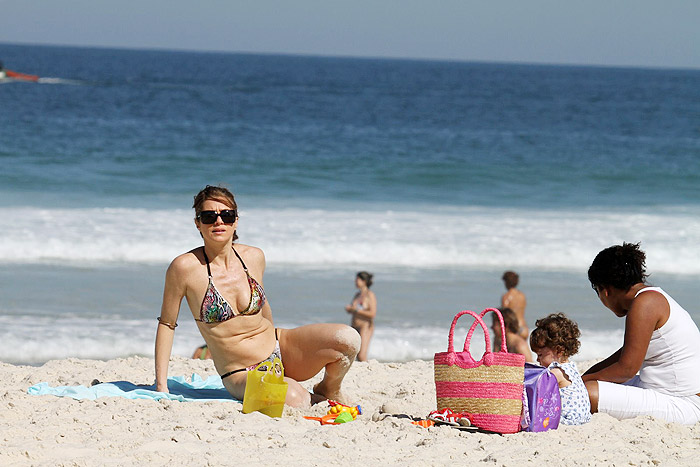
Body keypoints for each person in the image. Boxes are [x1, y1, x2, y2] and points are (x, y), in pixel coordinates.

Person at [155, 185, 360, 408]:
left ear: (235, 221)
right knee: (294, 400)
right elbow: (167, 324)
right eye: (208, 216)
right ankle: (306, 395)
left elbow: (265, 308)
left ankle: (330, 387)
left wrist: (279, 357)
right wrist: (161, 385)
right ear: (197, 223)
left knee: (348, 339)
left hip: (279, 348)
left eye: (226, 215)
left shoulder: (254, 257)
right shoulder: (184, 268)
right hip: (240, 372)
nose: (218, 222)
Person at [582, 242, 700, 425]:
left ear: (606, 291)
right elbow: (623, 355)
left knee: (588, 393)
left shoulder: (645, 303)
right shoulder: (651, 297)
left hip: (683, 402)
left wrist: (580, 383)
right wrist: (581, 378)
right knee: (588, 386)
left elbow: (626, 369)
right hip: (662, 391)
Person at [530, 313, 591, 425]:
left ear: (558, 351)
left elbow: (539, 392)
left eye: (540, 355)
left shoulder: (555, 373)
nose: (537, 360)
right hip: (583, 416)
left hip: (569, 419)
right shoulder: (571, 367)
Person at [344, 271, 377, 362]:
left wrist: (356, 310)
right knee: (353, 353)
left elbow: (372, 313)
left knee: (362, 355)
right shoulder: (357, 295)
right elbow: (354, 310)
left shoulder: (370, 295)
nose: (355, 281)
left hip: (365, 326)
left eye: (357, 279)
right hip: (354, 325)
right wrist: (350, 309)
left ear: (364, 281)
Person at [501, 271, 528, 340]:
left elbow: (505, 315)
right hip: (524, 327)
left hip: (514, 328)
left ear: (506, 282)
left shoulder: (506, 297)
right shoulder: (522, 296)